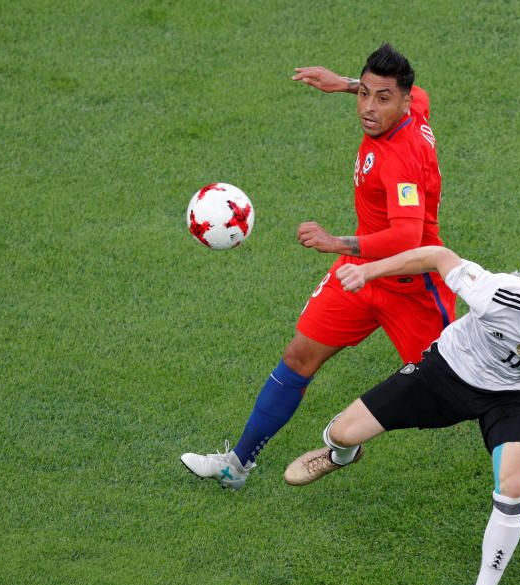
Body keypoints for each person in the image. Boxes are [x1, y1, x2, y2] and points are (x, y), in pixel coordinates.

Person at [283, 245, 520, 585]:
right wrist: (369, 271)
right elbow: (439, 256)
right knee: (342, 431)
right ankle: (339, 455)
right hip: (449, 370)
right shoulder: (498, 293)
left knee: (513, 484)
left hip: (515, 397)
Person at [181, 44, 455, 489]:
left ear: (402, 103)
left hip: (410, 284)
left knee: (452, 393)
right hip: (359, 275)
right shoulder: (413, 104)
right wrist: (343, 83)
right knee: (298, 356)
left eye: (380, 98)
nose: (368, 106)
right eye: (364, 93)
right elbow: (412, 90)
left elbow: (407, 237)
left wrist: (334, 242)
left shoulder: (401, 158)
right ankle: (237, 464)